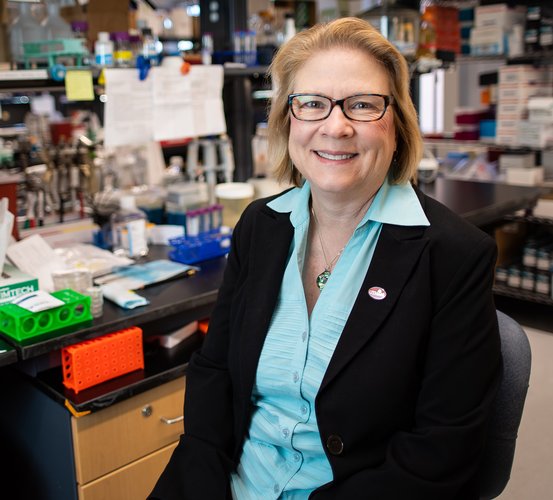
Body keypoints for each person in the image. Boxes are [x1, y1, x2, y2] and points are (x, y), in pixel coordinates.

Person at [150, 17, 501, 500]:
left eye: (362, 105)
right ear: (287, 121)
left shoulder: (452, 255)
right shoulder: (260, 225)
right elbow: (215, 374)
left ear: (396, 126)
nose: (336, 127)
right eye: (312, 104)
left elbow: (443, 452)